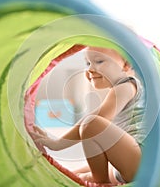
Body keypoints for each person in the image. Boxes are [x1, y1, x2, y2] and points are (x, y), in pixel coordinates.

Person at [30, 46, 145, 185]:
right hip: (127, 165)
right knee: (78, 174)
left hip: (140, 162)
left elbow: (94, 122)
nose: (90, 69)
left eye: (99, 61)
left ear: (126, 64)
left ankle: (101, 182)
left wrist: (58, 144)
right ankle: (80, 176)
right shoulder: (120, 89)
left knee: (91, 123)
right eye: (88, 63)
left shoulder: (126, 86)